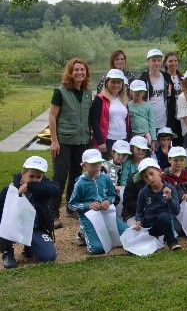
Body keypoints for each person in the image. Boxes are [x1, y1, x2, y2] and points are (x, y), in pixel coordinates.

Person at [48, 58, 92, 229]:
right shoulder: (60, 92)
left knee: (76, 174)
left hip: (82, 140)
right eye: (76, 70)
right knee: (59, 177)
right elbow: (52, 116)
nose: (79, 72)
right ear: (70, 72)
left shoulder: (88, 92)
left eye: (82, 70)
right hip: (64, 140)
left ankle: (71, 207)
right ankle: (52, 213)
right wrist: (54, 140)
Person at [1, 156, 59, 269]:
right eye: (31, 176)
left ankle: (29, 247)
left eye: (38, 177)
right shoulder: (10, 189)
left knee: (49, 256)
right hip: (13, 226)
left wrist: (29, 185)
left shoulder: (42, 186)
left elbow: (56, 188)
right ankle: (7, 252)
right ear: (23, 173)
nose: (35, 179)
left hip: (34, 228)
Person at [67, 149, 128, 254]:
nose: (97, 166)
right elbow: (71, 205)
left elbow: (112, 195)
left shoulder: (105, 178)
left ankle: (98, 233)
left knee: (128, 235)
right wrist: (88, 206)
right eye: (92, 164)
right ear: (84, 165)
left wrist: (108, 201)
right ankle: (83, 232)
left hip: (106, 213)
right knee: (98, 248)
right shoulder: (80, 183)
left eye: (99, 163)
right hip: (89, 216)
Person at [132, 158, 182, 250]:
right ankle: (151, 239)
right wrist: (138, 220)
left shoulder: (170, 189)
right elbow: (139, 210)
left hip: (164, 224)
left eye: (151, 174)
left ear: (159, 172)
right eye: (146, 177)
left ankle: (171, 241)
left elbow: (177, 211)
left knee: (164, 216)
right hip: (148, 226)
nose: (150, 178)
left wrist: (169, 199)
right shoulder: (143, 192)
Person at [90, 68, 131, 159]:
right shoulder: (100, 99)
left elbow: (127, 122)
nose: (116, 85)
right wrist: (100, 142)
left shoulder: (123, 100)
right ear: (107, 83)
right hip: (107, 141)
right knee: (106, 169)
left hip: (123, 139)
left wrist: (128, 140)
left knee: (121, 169)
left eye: (119, 82)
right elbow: (94, 121)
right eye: (113, 82)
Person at [137, 48, 177, 133]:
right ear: (148, 62)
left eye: (159, 60)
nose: (156, 63)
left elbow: (171, 100)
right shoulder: (143, 80)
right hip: (147, 123)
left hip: (163, 122)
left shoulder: (166, 78)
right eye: (153, 60)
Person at [128, 80, 157, 150]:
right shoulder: (127, 105)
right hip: (133, 134)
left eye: (141, 91)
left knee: (145, 153)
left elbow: (151, 122)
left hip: (145, 134)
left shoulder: (148, 106)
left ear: (144, 92)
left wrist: (153, 139)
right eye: (136, 91)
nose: (138, 93)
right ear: (131, 92)